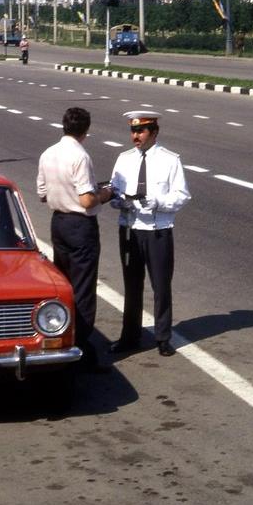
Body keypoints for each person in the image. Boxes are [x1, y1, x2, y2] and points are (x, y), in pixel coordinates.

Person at [37, 107, 114, 372]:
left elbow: (42, 194)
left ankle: (62, 335)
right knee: (82, 289)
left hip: (58, 223)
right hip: (80, 226)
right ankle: (80, 345)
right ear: (86, 130)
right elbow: (86, 199)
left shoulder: (48, 153)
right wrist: (105, 193)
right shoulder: (80, 156)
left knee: (65, 285)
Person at [109, 111, 191, 357]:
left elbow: (182, 195)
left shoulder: (170, 160)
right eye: (133, 131)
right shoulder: (124, 159)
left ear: (154, 133)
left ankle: (163, 337)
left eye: (141, 131)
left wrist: (157, 202)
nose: (135, 136)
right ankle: (129, 336)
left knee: (161, 285)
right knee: (132, 285)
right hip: (130, 230)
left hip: (157, 231)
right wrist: (122, 201)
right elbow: (113, 193)